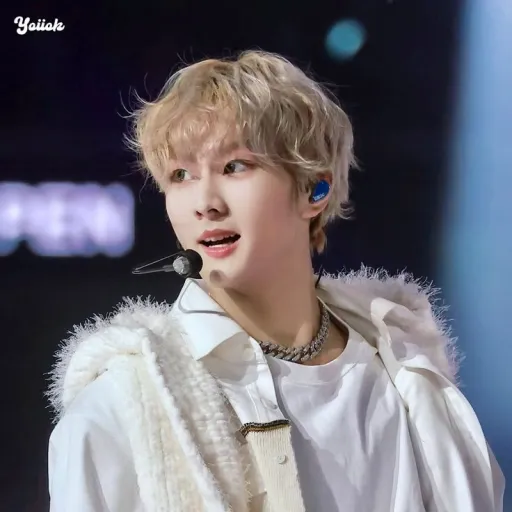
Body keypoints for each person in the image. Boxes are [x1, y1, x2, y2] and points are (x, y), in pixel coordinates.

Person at [47, 50, 505, 512]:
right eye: (180, 175)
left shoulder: (407, 378)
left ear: (314, 190)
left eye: (234, 166)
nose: (205, 203)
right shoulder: (121, 412)